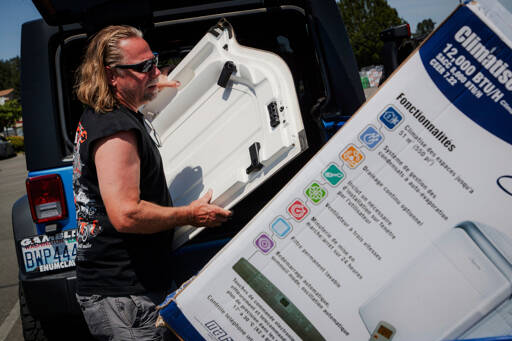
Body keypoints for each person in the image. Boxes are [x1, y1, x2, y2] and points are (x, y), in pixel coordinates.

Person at [72, 25, 232, 340]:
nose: (155, 70)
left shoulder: (107, 111)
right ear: (112, 75)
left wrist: (157, 79)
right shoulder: (116, 129)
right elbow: (126, 214)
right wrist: (191, 215)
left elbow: (151, 80)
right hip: (125, 297)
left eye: (154, 61)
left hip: (130, 286)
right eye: (145, 66)